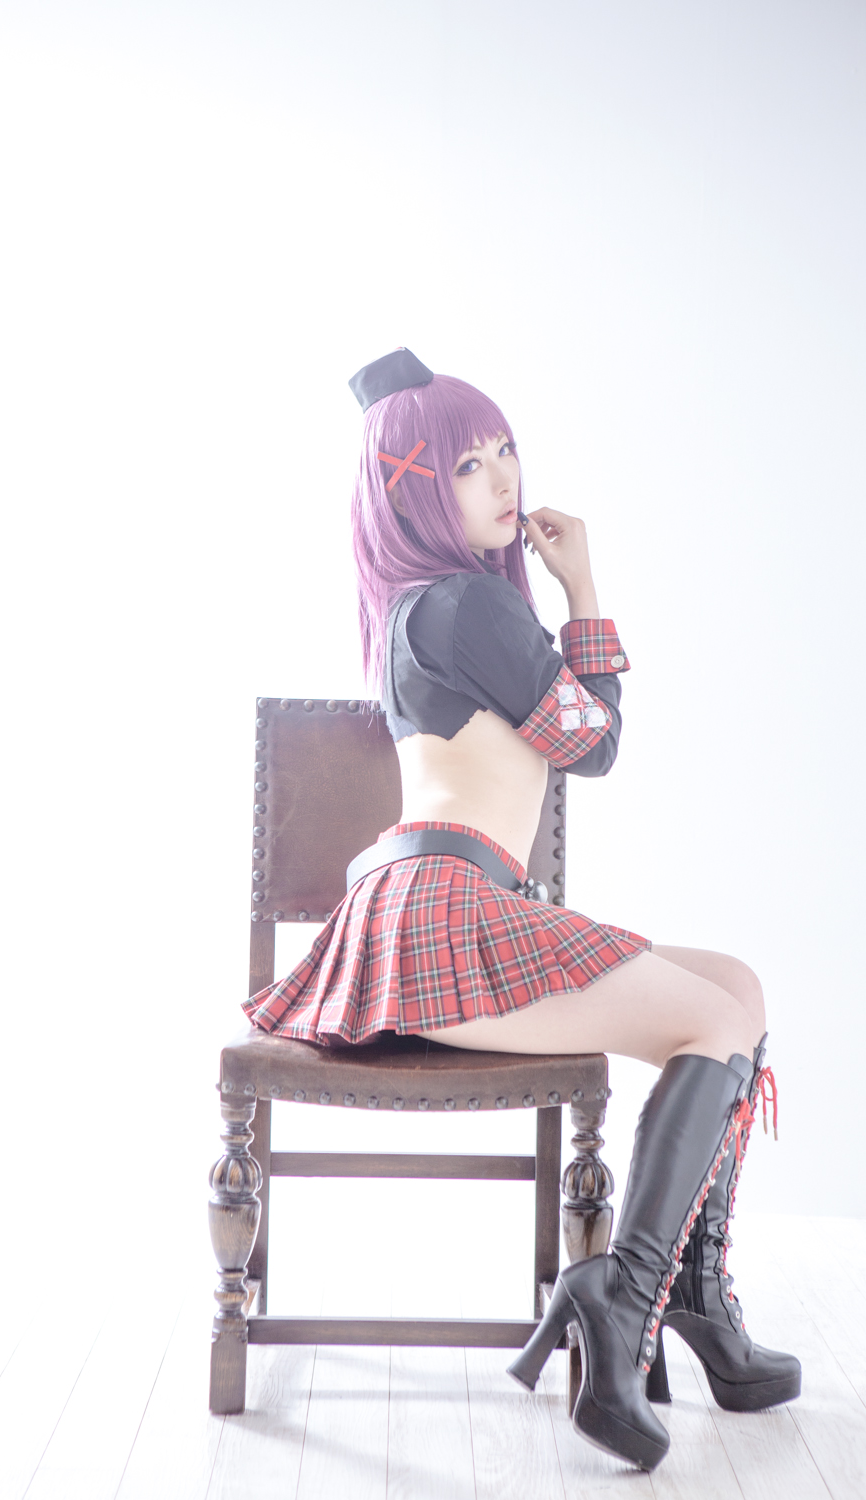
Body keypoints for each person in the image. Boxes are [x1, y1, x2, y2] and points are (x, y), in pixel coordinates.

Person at [243, 348, 800, 1471]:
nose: (503, 479)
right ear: (409, 490)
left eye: (505, 451)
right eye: (466, 465)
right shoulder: (465, 608)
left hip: (432, 907)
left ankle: (689, 1294)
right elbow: (594, 744)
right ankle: (623, 1296)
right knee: (714, 1023)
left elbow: (570, 736)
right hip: (443, 915)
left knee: (735, 988)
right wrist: (584, 589)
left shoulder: (416, 610)